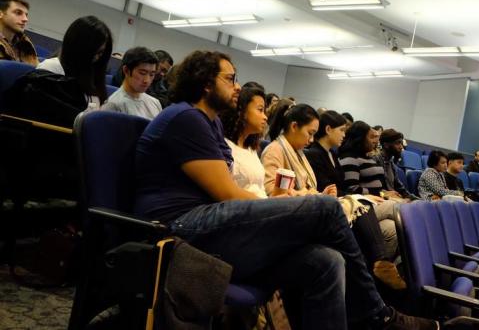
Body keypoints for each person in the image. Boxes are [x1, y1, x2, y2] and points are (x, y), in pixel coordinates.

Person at [133, 50, 435, 329]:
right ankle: (377, 315)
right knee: (326, 209)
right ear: (205, 83)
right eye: (230, 78)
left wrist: (286, 212)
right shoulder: (186, 117)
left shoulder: (209, 123)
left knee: (326, 261)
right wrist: (287, 212)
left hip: (211, 225)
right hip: (179, 227)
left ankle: (372, 312)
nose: (237, 87)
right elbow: (226, 195)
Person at [301, 110, 406, 289]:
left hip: (348, 202)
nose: (344, 134)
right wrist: (362, 195)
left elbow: (342, 187)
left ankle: (379, 275)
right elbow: (332, 189)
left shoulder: (332, 155)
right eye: (341, 130)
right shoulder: (314, 154)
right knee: (396, 208)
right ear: (328, 130)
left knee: (392, 228)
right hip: (335, 205)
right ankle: (380, 262)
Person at [339, 121, 403, 259]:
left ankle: (379, 270)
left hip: (376, 203)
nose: (375, 141)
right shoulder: (350, 158)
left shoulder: (366, 157)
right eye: (371, 137)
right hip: (363, 206)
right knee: (400, 207)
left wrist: (382, 193)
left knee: (392, 229)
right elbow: (352, 188)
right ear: (360, 138)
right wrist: (381, 195)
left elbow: (378, 187)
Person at [37, 15, 113, 108]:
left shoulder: (91, 76)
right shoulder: (50, 69)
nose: (96, 58)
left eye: (100, 53)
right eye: (94, 52)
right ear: (78, 48)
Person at [221, 82, 268, 198]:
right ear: (242, 111)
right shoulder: (225, 145)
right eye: (260, 110)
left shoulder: (250, 148)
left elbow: (260, 191)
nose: (265, 117)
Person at [102, 46, 162, 120]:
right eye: (142, 73)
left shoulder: (155, 103)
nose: (147, 80)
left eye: (152, 74)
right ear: (126, 70)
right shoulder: (114, 105)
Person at [377, 129, 417, 200]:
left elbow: (400, 188)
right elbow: (373, 189)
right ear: (386, 145)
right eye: (397, 143)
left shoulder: (390, 162)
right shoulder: (375, 160)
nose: (401, 147)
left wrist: (416, 200)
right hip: (381, 199)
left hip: (394, 199)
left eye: (401, 144)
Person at [0, 0, 37, 65]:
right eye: (18, 13)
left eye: (26, 15)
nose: (25, 19)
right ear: (1, 14)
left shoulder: (26, 44)